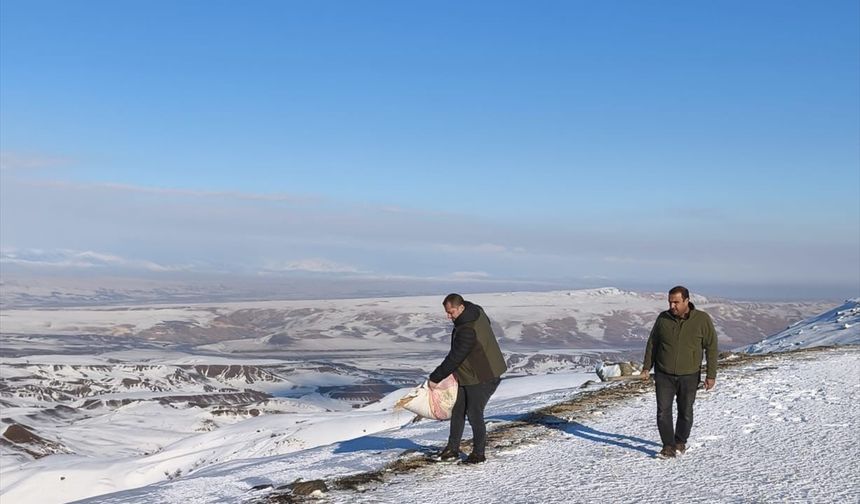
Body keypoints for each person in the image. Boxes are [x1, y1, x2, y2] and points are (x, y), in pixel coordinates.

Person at [428, 293, 507, 464]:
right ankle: (452, 449)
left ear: (461, 307)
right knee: (458, 410)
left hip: (483, 376)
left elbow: (455, 357)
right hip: (470, 373)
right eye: (447, 312)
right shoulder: (476, 310)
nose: (448, 316)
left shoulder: (466, 330)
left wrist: (435, 378)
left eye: (452, 312)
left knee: (474, 413)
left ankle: (479, 454)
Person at [641, 285, 718, 458]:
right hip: (664, 374)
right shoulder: (663, 319)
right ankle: (668, 446)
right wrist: (647, 367)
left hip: (690, 375)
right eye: (670, 302)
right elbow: (652, 343)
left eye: (676, 302)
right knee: (663, 411)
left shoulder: (702, 319)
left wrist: (711, 375)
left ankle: (680, 441)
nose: (672, 306)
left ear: (686, 301)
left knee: (685, 411)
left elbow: (711, 347)